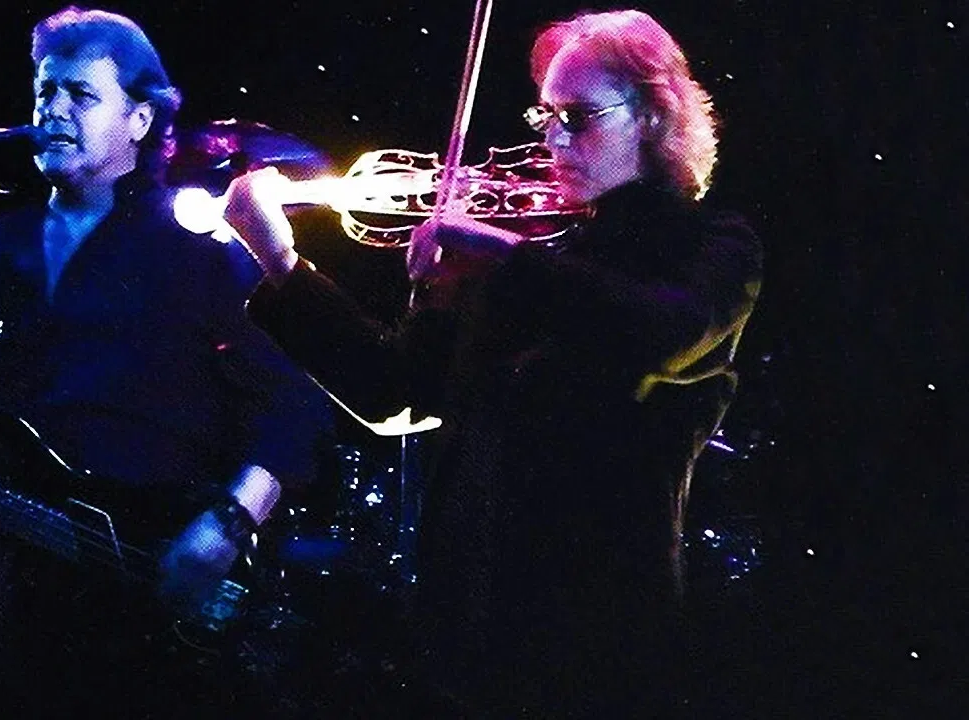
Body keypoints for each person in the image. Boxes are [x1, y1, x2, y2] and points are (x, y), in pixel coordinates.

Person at [223, 8, 762, 717]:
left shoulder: (710, 245)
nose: (553, 140)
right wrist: (281, 263)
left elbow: (662, 332)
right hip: (466, 623)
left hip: (598, 628)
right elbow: (394, 392)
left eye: (578, 117)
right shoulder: (523, 261)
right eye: (546, 117)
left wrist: (501, 255)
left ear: (652, 116)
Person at [0, 5, 331, 715]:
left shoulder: (202, 251)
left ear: (141, 120)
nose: (53, 110)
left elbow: (294, 405)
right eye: (45, 91)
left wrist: (228, 524)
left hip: (146, 605)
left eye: (81, 95)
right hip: (0, 594)